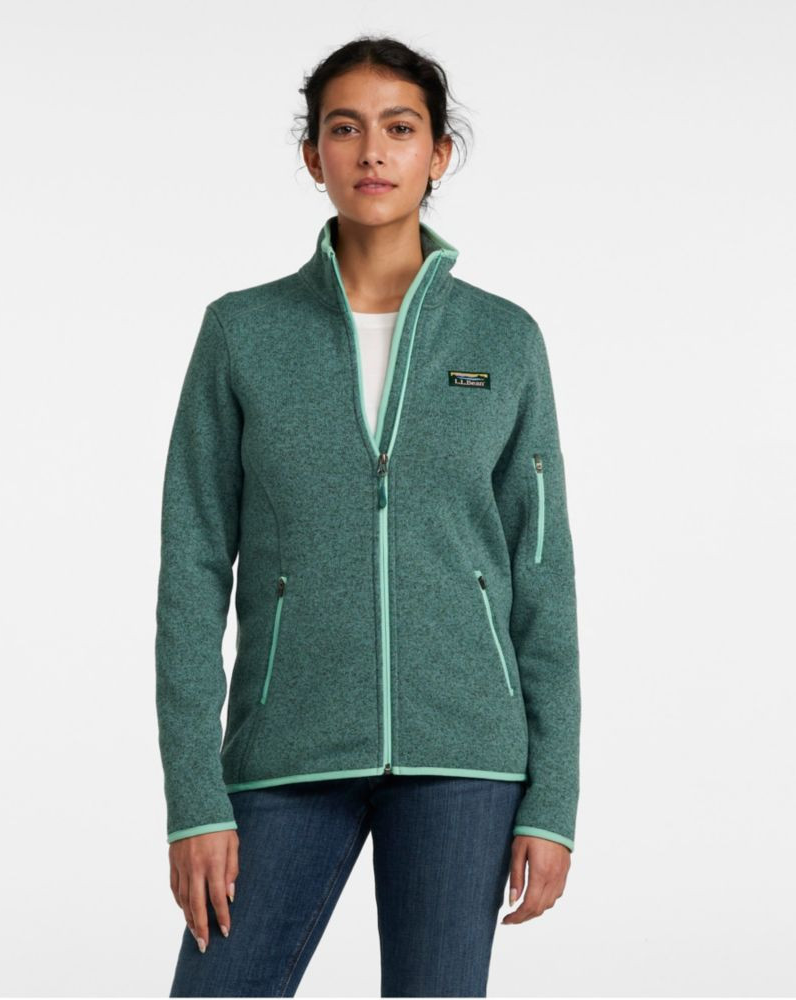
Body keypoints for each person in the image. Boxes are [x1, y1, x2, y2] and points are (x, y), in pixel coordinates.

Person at [155, 34, 581, 999]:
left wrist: (550, 800)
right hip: (283, 749)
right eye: (345, 129)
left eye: (400, 128)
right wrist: (194, 799)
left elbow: (542, 578)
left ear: (438, 153)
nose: (373, 151)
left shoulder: (503, 339)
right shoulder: (242, 332)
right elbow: (190, 567)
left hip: (465, 758)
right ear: (314, 156)